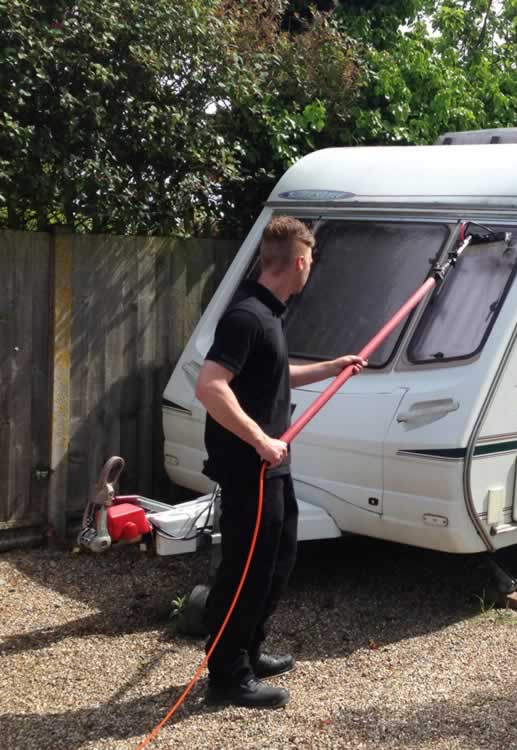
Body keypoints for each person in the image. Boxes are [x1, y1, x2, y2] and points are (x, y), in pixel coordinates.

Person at [194, 216, 365, 708]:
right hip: (251, 465)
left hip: (271, 465)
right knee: (247, 569)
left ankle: (249, 648)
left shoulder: (269, 315)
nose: (310, 269)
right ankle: (226, 674)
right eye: (310, 262)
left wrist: (332, 368)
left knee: (279, 559)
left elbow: (272, 372)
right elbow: (211, 386)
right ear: (300, 261)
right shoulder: (246, 315)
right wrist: (260, 441)